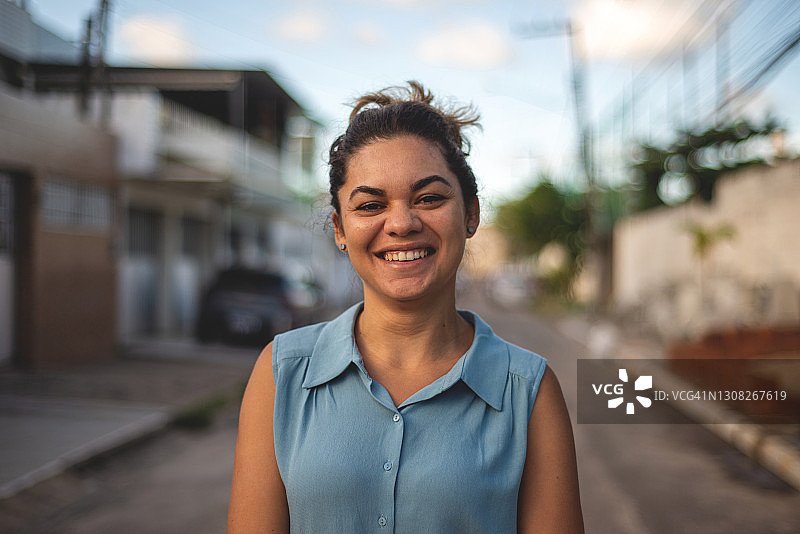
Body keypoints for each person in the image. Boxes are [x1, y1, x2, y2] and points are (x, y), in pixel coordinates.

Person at [228, 81, 584, 533]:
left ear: (470, 214)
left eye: (430, 198)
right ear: (339, 228)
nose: (401, 224)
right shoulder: (283, 373)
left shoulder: (528, 391)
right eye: (371, 204)